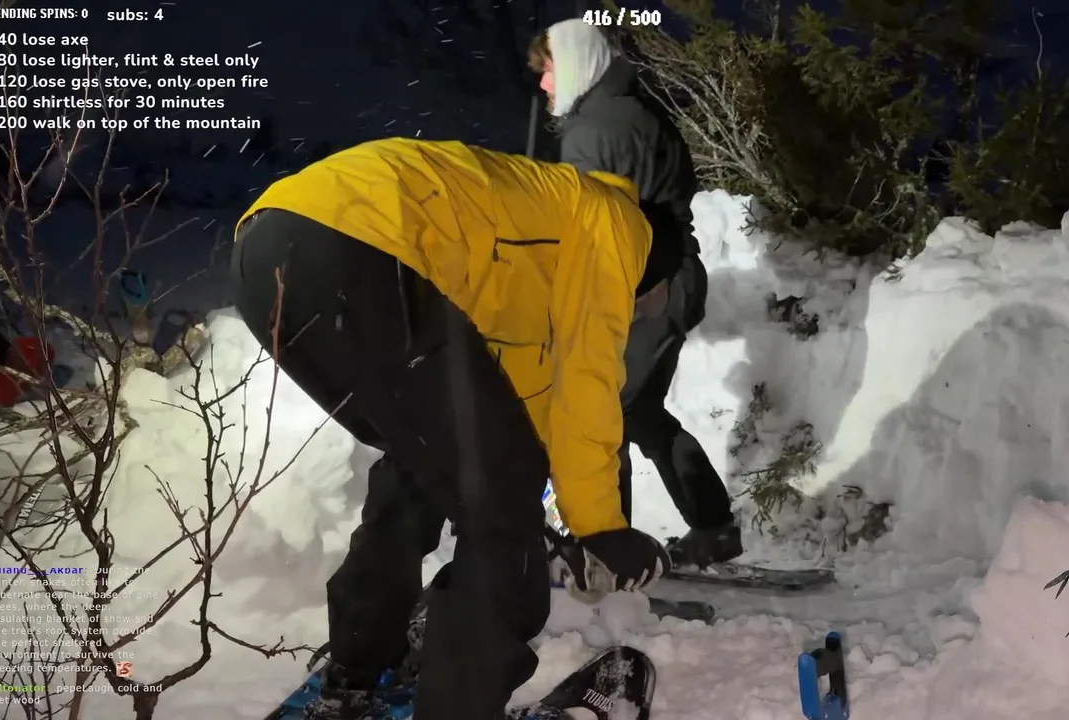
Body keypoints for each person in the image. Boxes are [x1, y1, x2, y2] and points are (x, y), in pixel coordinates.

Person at [230, 138, 671, 720]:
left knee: (420, 464)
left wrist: (542, 498)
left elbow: (508, 402)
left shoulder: (529, 236)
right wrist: (600, 526)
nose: (636, 310)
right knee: (501, 503)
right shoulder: (616, 222)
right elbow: (588, 379)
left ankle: (355, 672)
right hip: (360, 246)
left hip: (267, 251)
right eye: (644, 299)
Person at [528, 19, 743, 567]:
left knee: (597, 416)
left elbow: (589, 230)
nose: (544, 84)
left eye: (549, 70)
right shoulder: (627, 111)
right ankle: (713, 528)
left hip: (645, 288)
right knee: (640, 414)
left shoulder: (597, 130)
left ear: (576, 64)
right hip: (668, 280)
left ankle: (603, 548)